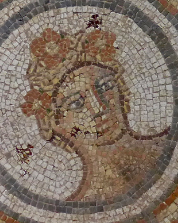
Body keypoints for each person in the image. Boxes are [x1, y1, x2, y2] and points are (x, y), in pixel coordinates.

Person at [20, 27, 169, 203]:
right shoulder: (76, 213)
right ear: (52, 124)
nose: (99, 108)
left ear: (120, 88)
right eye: (76, 103)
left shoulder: (175, 144)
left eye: (105, 86)